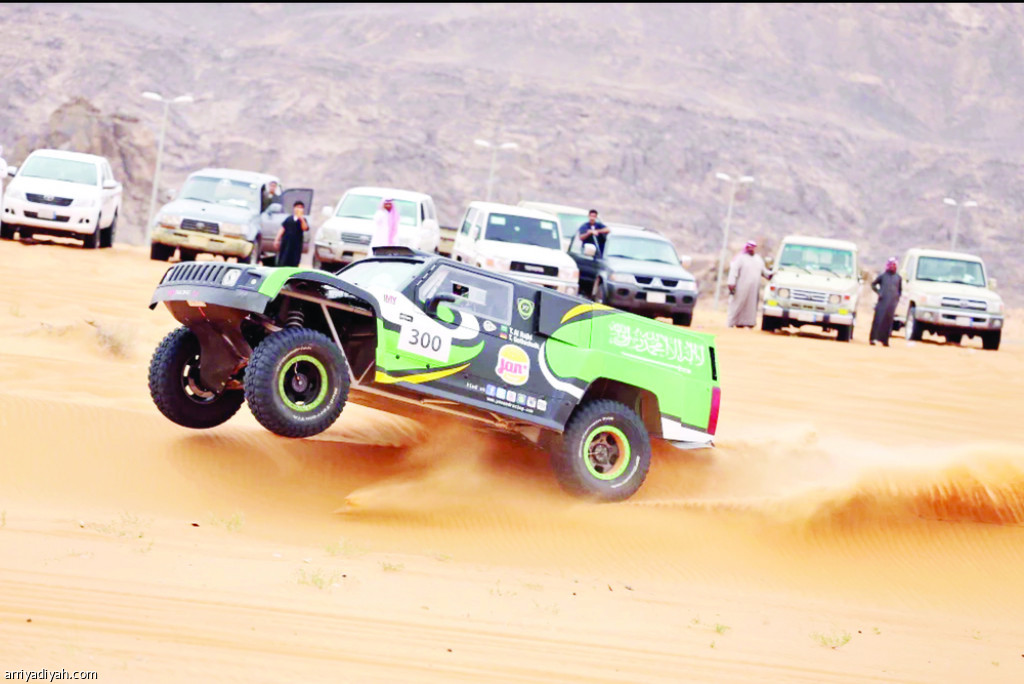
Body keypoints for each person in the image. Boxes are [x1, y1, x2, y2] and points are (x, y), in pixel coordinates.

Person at [726, 240, 773, 328]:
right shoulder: (740, 258)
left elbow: (764, 272)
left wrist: (772, 274)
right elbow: (733, 271)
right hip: (740, 287)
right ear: (746, 247)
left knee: (750, 307)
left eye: (753, 247)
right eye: (749, 247)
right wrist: (731, 283)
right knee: (736, 304)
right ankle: (731, 323)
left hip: (754, 289)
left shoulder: (758, 259)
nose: (751, 249)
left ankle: (748, 323)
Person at [870, 257, 902, 346]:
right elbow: (873, 284)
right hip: (882, 302)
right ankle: (873, 339)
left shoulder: (898, 277)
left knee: (888, 322)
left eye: (894, 265)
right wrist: (879, 292)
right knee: (878, 320)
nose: (892, 266)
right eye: (891, 265)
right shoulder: (883, 276)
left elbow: (900, 290)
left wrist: (897, 299)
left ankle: (885, 341)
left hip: (892, 304)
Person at [274, 200, 308, 267]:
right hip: (286, 243)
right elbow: (282, 229)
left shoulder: (303, 220)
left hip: (296, 244)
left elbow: (305, 228)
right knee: (284, 259)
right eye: (297, 207)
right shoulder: (289, 219)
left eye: (301, 208)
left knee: (294, 261)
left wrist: (301, 219)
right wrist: (277, 239)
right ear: (294, 208)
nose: (299, 209)